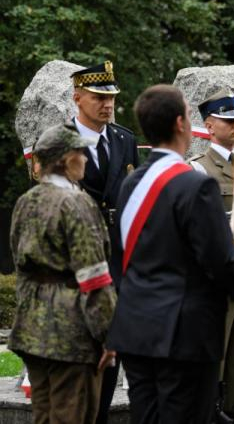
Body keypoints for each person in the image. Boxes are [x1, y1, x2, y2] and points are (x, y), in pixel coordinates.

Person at [106, 85, 234, 423]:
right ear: (182, 124)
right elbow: (221, 263)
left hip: (136, 331)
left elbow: (121, 263)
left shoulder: (131, 184)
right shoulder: (197, 185)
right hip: (185, 336)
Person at [9, 124, 117, 423]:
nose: (85, 159)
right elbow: (95, 276)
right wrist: (109, 335)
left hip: (31, 328)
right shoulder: (77, 203)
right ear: (66, 159)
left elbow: (21, 264)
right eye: (81, 153)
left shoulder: (25, 202)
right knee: (74, 415)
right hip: (71, 332)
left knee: (43, 416)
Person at [70, 60, 139, 424]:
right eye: (98, 97)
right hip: (79, 263)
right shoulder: (60, 141)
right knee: (84, 357)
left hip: (119, 260)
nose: (107, 104)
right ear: (77, 97)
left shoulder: (124, 139)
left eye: (111, 97)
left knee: (115, 353)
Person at [189, 90, 234, 421]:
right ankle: (214, 410)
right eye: (228, 120)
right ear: (210, 126)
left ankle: (233, 410)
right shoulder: (198, 171)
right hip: (219, 281)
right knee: (219, 358)